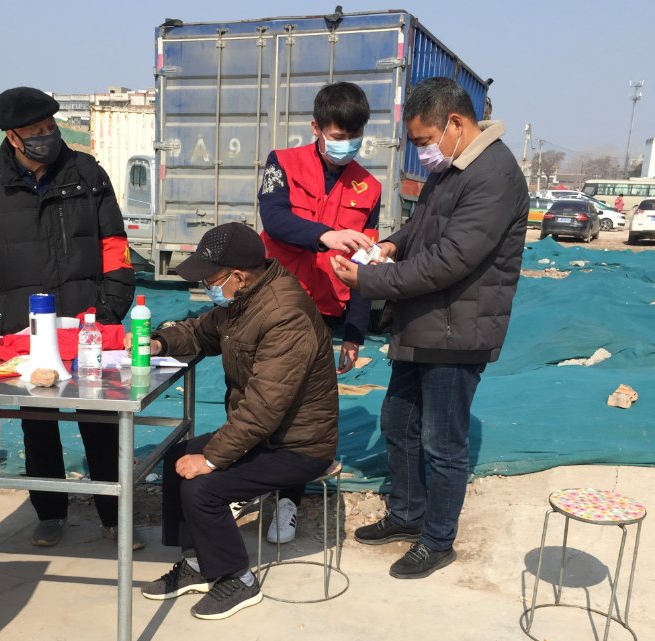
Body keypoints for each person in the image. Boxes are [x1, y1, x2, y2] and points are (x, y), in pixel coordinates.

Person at [330, 77, 528, 579]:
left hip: (458, 330)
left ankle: (437, 540)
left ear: (455, 124)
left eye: (424, 141)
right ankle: (407, 514)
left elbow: (451, 260)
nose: (422, 153)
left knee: (443, 442)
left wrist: (370, 279)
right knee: (398, 422)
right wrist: (391, 245)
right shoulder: (452, 168)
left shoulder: (495, 174)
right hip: (423, 322)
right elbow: (422, 228)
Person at [0, 87, 136, 547]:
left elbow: (114, 247)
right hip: (25, 331)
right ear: (12, 137)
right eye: (35, 131)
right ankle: (51, 513)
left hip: (87, 321)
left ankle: (114, 516)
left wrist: (108, 309)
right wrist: (0, 317)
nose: (47, 136)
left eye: (50, 127)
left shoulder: (86, 174)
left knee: (100, 420)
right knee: (37, 423)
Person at [137, 222, 338, 619]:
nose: (207, 288)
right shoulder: (243, 302)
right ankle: (197, 563)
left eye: (211, 281)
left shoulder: (283, 316)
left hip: (298, 445)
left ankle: (238, 580)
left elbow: (264, 407)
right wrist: (159, 341)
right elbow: (201, 331)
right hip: (268, 435)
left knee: (203, 486)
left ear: (239, 276)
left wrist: (212, 459)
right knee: (177, 458)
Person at [255, 81, 381, 542]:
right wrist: (325, 235)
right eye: (338, 135)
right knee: (252, 396)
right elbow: (274, 219)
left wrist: (355, 332)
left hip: (321, 313)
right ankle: (244, 482)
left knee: (300, 410)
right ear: (316, 128)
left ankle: (286, 501)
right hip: (270, 303)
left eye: (355, 135)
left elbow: (365, 262)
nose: (346, 144)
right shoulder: (282, 163)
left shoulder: (369, 187)